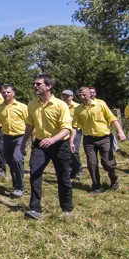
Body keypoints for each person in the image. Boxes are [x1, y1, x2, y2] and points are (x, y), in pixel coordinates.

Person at [23, 74, 74, 220]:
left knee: (63, 177)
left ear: (49, 86)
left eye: (38, 84)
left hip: (59, 144)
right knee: (35, 173)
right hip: (40, 144)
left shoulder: (60, 105)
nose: (35, 86)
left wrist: (53, 139)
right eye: (34, 83)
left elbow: (66, 128)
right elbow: (30, 125)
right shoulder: (32, 104)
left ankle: (67, 208)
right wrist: (23, 144)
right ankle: (35, 209)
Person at [73, 86, 126, 193]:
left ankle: (113, 178)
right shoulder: (78, 109)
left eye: (84, 95)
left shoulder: (101, 105)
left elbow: (112, 118)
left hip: (104, 138)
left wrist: (120, 131)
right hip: (89, 140)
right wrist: (71, 141)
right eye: (80, 95)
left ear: (90, 94)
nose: (82, 97)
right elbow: (74, 126)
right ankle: (97, 186)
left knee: (108, 163)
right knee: (92, 164)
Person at [0, 84, 28, 198]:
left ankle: (20, 188)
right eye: (4, 92)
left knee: (16, 159)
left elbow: (29, 124)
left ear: (13, 93)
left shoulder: (22, 107)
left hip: (20, 137)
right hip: (6, 137)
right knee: (10, 162)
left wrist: (31, 140)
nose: (6, 94)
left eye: (8, 92)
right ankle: (16, 184)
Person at [62, 89, 83, 180]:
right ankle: (71, 170)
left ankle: (78, 169)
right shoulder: (60, 105)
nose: (65, 97)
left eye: (67, 96)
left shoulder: (77, 106)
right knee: (66, 151)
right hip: (63, 131)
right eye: (64, 96)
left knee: (74, 151)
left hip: (75, 130)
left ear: (72, 97)